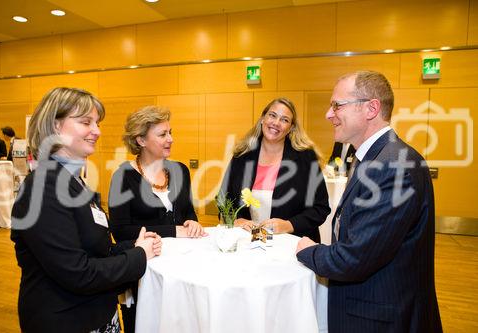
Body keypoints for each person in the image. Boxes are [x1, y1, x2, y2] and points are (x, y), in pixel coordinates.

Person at [296, 71, 442, 332]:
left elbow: (353, 258)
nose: (329, 114)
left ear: (371, 108)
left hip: (381, 318)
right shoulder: (377, 157)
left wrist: (307, 250)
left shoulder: (392, 165)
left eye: (337, 105)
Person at [10, 87, 162, 333]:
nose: (97, 131)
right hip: (66, 321)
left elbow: (96, 249)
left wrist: (135, 244)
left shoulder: (73, 181)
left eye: (97, 123)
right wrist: (139, 256)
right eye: (85, 122)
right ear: (55, 126)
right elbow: (77, 273)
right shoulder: (41, 188)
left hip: (97, 314)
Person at [108, 105, 206, 332]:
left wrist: (192, 221)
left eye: (171, 132)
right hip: (145, 270)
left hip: (181, 265)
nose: (170, 139)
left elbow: (188, 211)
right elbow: (121, 232)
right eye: (162, 134)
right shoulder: (123, 177)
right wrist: (173, 231)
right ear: (140, 140)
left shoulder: (180, 170)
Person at [221, 97, 330, 242]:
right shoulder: (242, 155)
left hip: (291, 243)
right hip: (249, 242)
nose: (276, 123)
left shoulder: (305, 158)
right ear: (262, 119)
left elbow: (320, 208)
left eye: (284, 120)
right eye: (272, 115)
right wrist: (235, 220)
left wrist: (288, 225)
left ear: (291, 128)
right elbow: (223, 199)